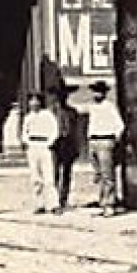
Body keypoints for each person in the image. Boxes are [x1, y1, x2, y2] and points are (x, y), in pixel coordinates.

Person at [85, 81, 126, 215]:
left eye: (99, 91)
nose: (96, 94)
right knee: (99, 174)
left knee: (107, 174)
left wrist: (114, 139)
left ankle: (109, 203)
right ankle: (102, 202)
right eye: (95, 91)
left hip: (105, 140)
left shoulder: (109, 107)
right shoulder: (92, 108)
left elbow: (119, 125)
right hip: (94, 141)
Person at [20, 92, 60, 214]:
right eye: (31, 101)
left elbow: (55, 130)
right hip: (33, 146)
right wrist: (27, 142)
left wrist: (50, 142)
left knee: (48, 176)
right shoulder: (28, 117)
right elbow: (24, 132)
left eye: (36, 101)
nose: (33, 103)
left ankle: (53, 204)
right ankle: (39, 203)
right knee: (35, 177)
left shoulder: (47, 115)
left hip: (44, 145)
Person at [49, 84, 82, 213]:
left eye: (64, 96)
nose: (62, 98)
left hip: (68, 143)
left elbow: (76, 131)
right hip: (55, 143)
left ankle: (64, 198)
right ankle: (54, 200)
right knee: (54, 172)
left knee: (67, 173)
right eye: (59, 96)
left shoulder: (73, 112)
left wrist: (77, 146)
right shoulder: (51, 112)